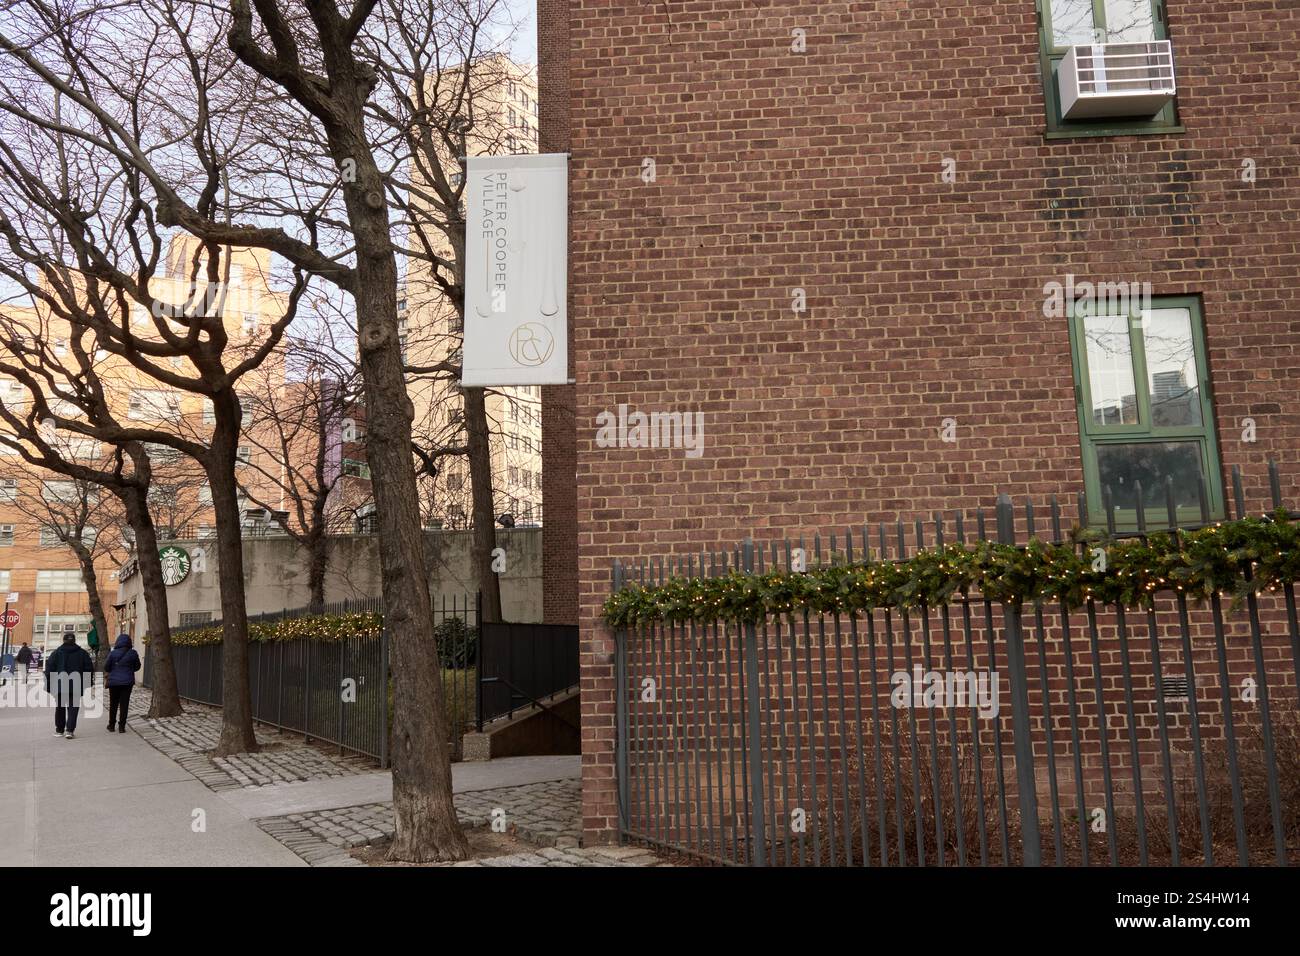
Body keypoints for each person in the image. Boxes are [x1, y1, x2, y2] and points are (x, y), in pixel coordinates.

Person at [44, 633, 93, 739]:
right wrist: (86, 684)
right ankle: (70, 730)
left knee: (60, 707)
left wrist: (49, 685)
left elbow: (49, 670)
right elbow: (88, 669)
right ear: (74, 641)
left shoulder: (56, 653)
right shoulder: (82, 653)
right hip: (76, 684)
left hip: (60, 685)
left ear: (63, 640)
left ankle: (59, 730)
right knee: (73, 708)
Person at [102, 633, 140, 733]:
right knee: (124, 704)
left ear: (118, 642)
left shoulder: (113, 653)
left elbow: (106, 667)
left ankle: (111, 725)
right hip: (127, 682)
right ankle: (122, 727)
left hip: (114, 683)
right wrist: (129, 669)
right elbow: (137, 667)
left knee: (113, 704)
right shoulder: (133, 653)